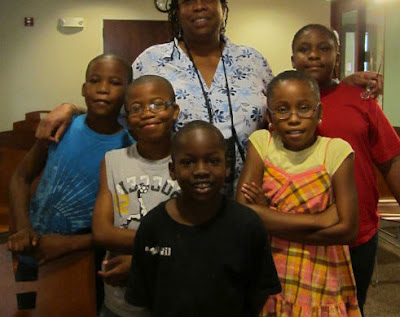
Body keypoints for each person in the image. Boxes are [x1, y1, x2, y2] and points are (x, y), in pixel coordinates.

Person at [34, 0, 382, 189]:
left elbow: (288, 102)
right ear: (177, 10)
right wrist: (72, 109)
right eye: (188, 0)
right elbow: (118, 115)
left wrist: (340, 83)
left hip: (250, 195)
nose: (199, 5)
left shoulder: (253, 60)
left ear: (222, 7)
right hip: (171, 193)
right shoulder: (151, 62)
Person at [290, 23, 400, 315]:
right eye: (304, 49)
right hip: (297, 232)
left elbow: (390, 160)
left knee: (351, 308)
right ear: (292, 60)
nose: (314, 56)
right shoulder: (280, 104)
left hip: (356, 232)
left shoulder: (362, 102)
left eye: (324, 48)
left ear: (337, 56)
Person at [7, 53, 133, 308]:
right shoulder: (60, 128)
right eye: (95, 80)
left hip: (84, 259)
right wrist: (22, 228)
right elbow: (21, 177)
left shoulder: (129, 146)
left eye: (115, 82)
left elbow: (124, 224)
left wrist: (68, 244)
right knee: (26, 309)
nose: (103, 89)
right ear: (83, 88)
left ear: (128, 91)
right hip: (32, 250)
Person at [125, 120, 282, 317]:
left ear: (227, 167)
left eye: (213, 161)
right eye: (188, 162)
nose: (201, 171)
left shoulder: (247, 225)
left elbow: (258, 294)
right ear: (172, 170)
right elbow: (145, 296)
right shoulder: (153, 226)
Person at [237, 70, 361, 317]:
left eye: (304, 108)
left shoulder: (336, 150)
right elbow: (244, 216)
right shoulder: (262, 143)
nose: (294, 118)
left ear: (319, 112)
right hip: (272, 266)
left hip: (323, 269)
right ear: (270, 116)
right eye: (282, 110)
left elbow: (348, 229)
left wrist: (268, 216)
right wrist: (319, 220)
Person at [92, 75, 180, 317]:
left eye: (157, 104)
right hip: (120, 305)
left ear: (174, 111)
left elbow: (200, 238)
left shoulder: (189, 162)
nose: (147, 113)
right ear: (128, 120)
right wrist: (164, 248)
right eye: (136, 108)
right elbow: (102, 232)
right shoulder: (113, 161)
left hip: (173, 299)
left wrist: (141, 261)